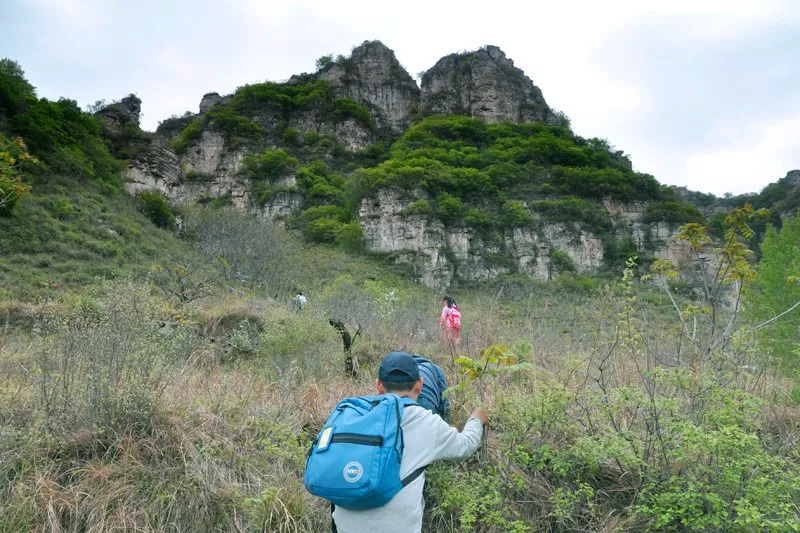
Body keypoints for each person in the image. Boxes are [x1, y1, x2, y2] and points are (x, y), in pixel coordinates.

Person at [331, 351, 488, 533]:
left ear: (379, 386)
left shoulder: (352, 415)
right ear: (420, 385)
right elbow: (465, 446)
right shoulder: (426, 421)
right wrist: (476, 420)